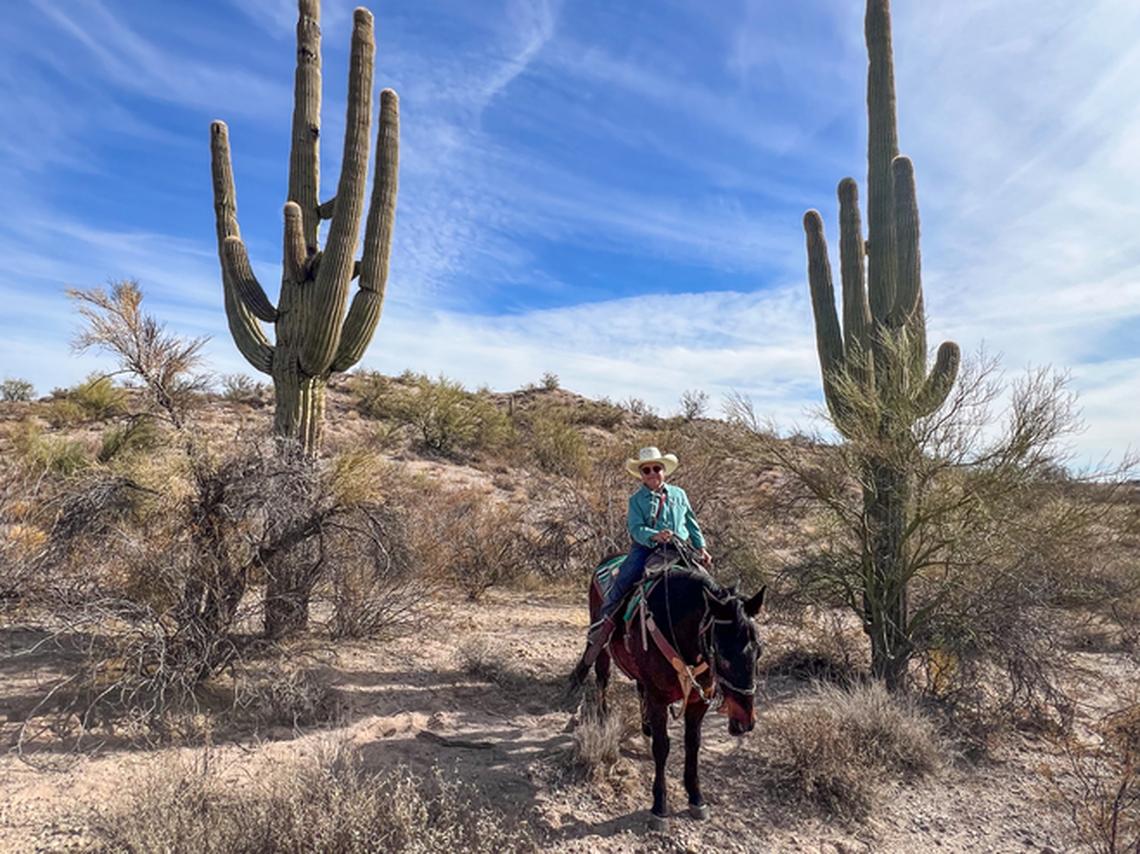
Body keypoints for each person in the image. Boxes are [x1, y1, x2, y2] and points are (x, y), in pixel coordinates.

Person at [567, 446, 712, 690]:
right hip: (647, 549)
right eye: (647, 470)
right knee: (625, 580)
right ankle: (605, 624)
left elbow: (691, 522)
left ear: (664, 471)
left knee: (709, 586)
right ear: (642, 475)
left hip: (680, 549)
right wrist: (655, 536)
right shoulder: (636, 500)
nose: (653, 473)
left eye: (657, 468)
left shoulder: (679, 494)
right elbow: (635, 528)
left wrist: (702, 547)